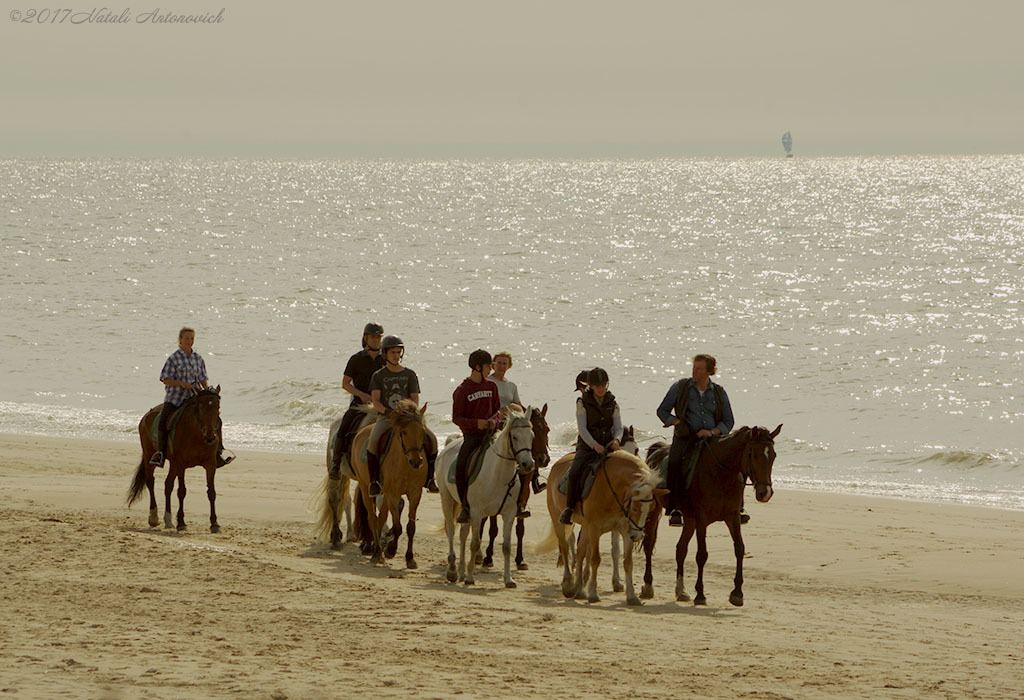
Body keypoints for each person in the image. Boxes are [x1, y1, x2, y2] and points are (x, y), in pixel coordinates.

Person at [656, 353, 735, 526]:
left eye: (699, 368)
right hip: (685, 438)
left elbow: (728, 421)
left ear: (708, 372)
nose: (694, 371)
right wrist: (677, 422)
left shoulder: (719, 392)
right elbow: (662, 411)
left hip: (712, 439)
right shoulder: (680, 387)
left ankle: (738, 507)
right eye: (694, 367)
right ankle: (675, 508)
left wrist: (712, 432)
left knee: (734, 463)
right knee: (674, 462)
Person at [149, 327, 232, 468]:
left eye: (192, 338)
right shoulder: (173, 358)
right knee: (163, 421)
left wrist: (207, 391)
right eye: (187, 338)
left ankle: (219, 451)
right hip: (176, 398)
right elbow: (165, 379)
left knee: (215, 419)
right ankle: (160, 454)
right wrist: (181, 384)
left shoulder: (198, 358)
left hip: (194, 398)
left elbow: (203, 378)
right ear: (180, 340)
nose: (189, 341)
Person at [559, 367, 623, 524]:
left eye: (603, 385)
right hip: (588, 447)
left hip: (608, 446)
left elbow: (619, 427)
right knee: (575, 472)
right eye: (597, 386)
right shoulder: (582, 402)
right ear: (591, 386)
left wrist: (616, 440)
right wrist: (594, 445)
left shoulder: (613, 403)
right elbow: (582, 429)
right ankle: (569, 509)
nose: (601, 389)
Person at [366, 335, 425, 496]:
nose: (396, 355)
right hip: (387, 417)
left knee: (430, 439)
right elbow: (376, 400)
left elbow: (414, 398)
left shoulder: (410, 374)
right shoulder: (378, 376)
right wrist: (388, 413)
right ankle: (374, 482)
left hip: (408, 419)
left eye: (398, 352)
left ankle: (429, 478)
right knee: (373, 442)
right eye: (393, 352)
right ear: (385, 354)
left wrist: (409, 412)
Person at [489, 352, 545, 518]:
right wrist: (502, 411)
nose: (501, 366)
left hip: (511, 423)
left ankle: (533, 481)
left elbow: (519, 406)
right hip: (495, 422)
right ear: (493, 365)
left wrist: (515, 407)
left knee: (529, 445)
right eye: (499, 363)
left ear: (509, 366)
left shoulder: (511, 386)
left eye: (505, 363)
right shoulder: (489, 382)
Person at [452, 349, 503, 524]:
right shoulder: (462, 390)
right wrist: (476, 423)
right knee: (461, 466)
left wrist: (493, 422)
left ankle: (518, 502)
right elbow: (456, 418)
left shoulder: (492, 386)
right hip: (472, 437)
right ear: (478, 367)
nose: (491, 369)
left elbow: (498, 411)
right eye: (489, 366)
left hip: (492, 435)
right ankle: (465, 506)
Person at [330, 322, 384, 478]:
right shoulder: (356, 359)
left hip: (380, 404)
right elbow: (345, 383)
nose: (375, 340)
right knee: (344, 427)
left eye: (378, 337)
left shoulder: (385, 359)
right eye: (372, 337)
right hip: (360, 405)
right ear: (365, 338)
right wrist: (361, 394)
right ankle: (336, 462)